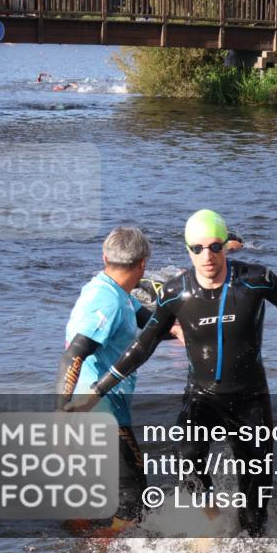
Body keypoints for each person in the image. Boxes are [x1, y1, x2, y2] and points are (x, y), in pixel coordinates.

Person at [69, 209, 277, 536]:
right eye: (197, 249)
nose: (207, 256)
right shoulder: (174, 293)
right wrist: (96, 392)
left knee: (255, 510)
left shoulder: (255, 280)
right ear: (188, 251)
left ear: (226, 245)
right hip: (202, 397)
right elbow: (142, 347)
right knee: (186, 455)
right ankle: (210, 522)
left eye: (214, 247)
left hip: (250, 399)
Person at [56, 228, 178, 534]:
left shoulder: (115, 292)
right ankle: (98, 549)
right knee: (134, 504)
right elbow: (73, 355)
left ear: (105, 255)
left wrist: (179, 329)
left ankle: (76, 544)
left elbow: (146, 321)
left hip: (98, 409)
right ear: (143, 265)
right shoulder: (105, 301)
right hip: (95, 410)